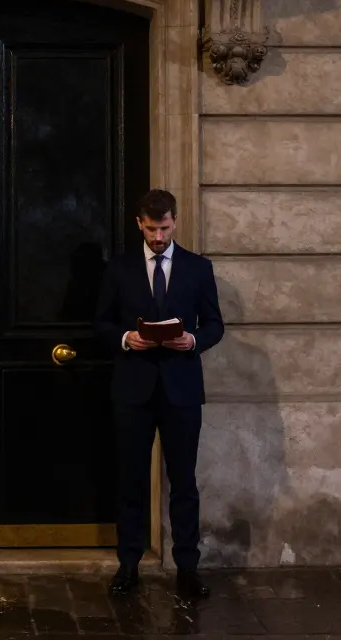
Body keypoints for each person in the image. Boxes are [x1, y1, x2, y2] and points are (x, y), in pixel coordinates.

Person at [94, 188, 225, 598]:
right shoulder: (119, 268)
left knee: (184, 481)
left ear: (174, 221)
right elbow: (101, 323)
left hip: (181, 389)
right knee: (131, 480)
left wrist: (193, 341)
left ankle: (187, 567)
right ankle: (128, 564)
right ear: (139, 223)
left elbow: (216, 325)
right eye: (151, 229)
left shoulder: (198, 268)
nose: (158, 237)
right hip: (133, 389)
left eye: (164, 228)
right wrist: (128, 338)